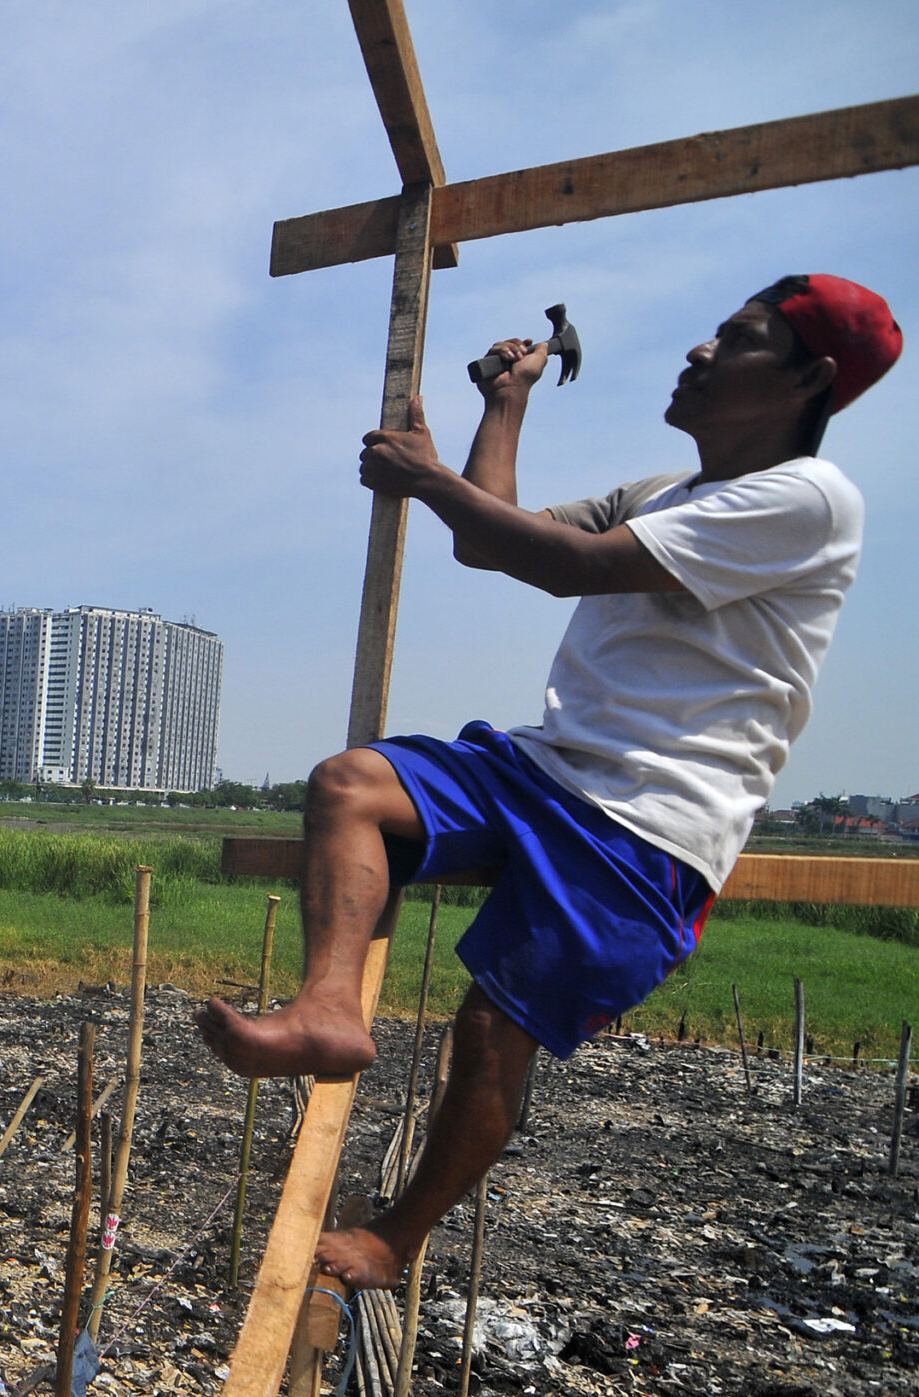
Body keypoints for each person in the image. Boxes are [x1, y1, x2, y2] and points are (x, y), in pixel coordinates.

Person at [195, 274, 902, 1289]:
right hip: (548, 768)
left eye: (734, 339)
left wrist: (426, 478)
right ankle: (327, 1011)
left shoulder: (805, 500)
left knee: (490, 1034)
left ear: (809, 381)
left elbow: (568, 566)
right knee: (351, 784)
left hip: (649, 822)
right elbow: (489, 540)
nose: (698, 352)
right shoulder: (668, 493)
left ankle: (394, 1239)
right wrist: (504, 405)